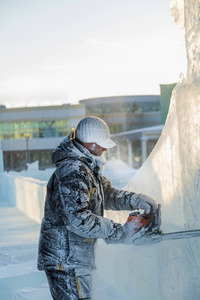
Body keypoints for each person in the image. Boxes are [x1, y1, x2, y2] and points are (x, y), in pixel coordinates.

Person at [37, 116, 161, 300]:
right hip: (66, 259)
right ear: (88, 142)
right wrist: (119, 231)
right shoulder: (73, 170)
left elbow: (107, 194)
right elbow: (77, 218)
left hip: (74, 257)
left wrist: (137, 200)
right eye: (101, 144)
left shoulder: (86, 167)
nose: (104, 149)